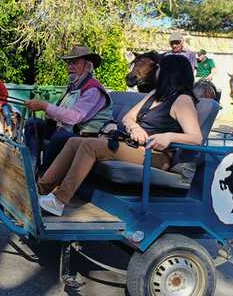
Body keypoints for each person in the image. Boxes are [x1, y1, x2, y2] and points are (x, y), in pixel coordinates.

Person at [37, 55, 202, 216]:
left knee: (90, 146)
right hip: (133, 145)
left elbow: (196, 138)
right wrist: (134, 128)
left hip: (155, 155)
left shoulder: (182, 101)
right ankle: (40, 189)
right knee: (74, 141)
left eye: (159, 68)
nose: (156, 72)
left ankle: (59, 200)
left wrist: (168, 137)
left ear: (170, 72)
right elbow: (128, 117)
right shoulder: (155, 94)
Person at [23, 46, 113, 173]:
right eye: (69, 63)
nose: (70, 67)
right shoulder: (72, 87)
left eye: (75, 63)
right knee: (33, 123)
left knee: (61, 136)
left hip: (87, 136)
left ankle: (45, 175)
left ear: (88, 66)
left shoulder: (93, 89)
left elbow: (74, 117)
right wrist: (49, 114)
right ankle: (31, 167)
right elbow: (60, 112)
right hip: (66, 130)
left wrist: (44, 106)